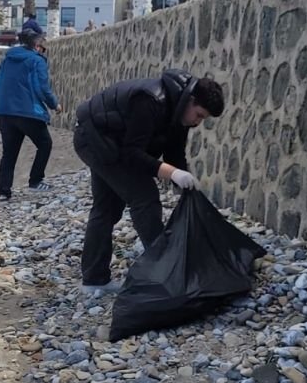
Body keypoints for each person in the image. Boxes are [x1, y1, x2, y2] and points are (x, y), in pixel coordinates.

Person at [72, 69, 226, 293]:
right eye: (199, 115)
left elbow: (174, 153)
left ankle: (94, 279)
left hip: (112, 142)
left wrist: (185, 187)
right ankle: (165, 273)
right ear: (191, 100)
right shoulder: (150, 100)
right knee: (144, 198)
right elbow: (132, 154)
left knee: (107, 208)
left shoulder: (179, 111)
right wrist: (172, 174)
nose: (198, 122)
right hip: (94, 139)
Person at [0, 27, 59, 201]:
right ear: (37, 45)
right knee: (45, 144)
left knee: (9, 153)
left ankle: (3, 191)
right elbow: (42, 88)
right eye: (42, 45)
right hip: (28, 112)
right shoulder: (37, 61)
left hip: (5, 112)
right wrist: (54, 105)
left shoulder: (7, 59)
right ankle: (35, 180)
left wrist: (2, 104)